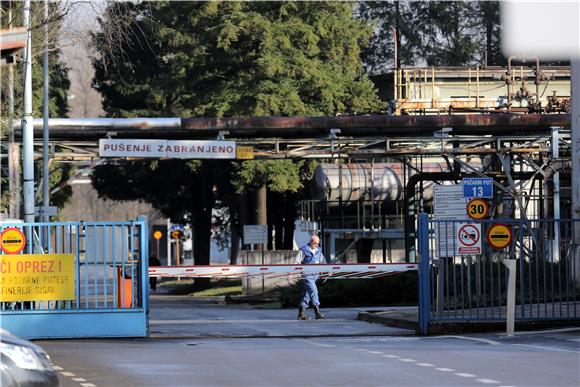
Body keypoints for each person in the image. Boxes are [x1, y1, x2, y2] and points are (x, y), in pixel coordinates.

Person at [294, 234, 325, 320]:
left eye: (318, 243)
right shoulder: (303, 250)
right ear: (311, 242)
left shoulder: (318, 250)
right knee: (314, 291)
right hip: (307, 275)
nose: (317, 245)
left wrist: (328, 270)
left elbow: (323, 262)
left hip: (315, 275)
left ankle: (301, 314)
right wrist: (293, 272)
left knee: (307, 293)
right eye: (315, 243)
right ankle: (317, 312)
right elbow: (296, 262)